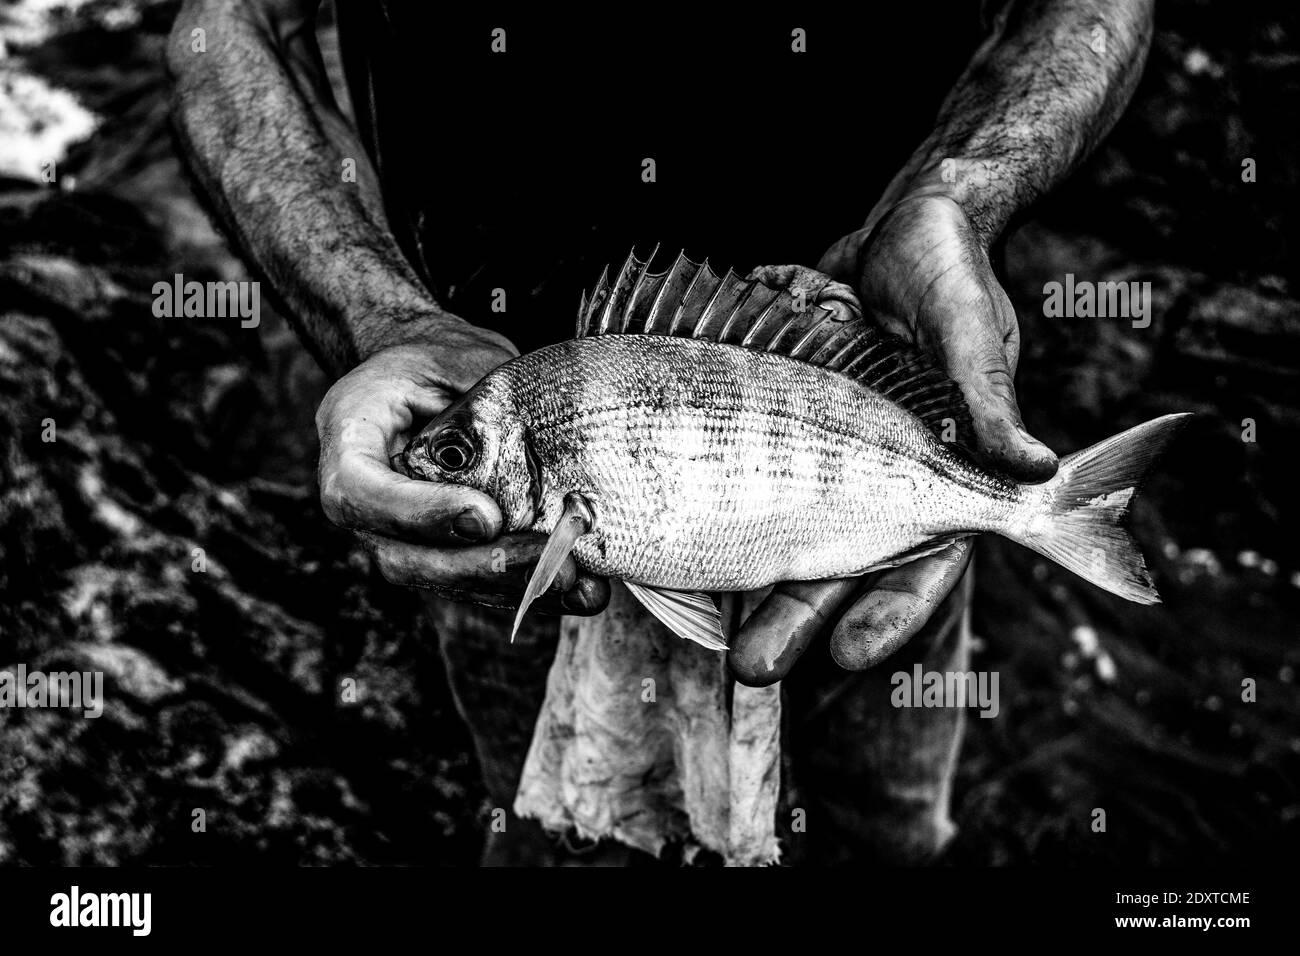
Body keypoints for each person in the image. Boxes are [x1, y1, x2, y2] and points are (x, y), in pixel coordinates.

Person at [168, 1, 1155, 864]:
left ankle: (1021, 513)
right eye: (463, 452)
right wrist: (375, 315)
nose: (447, 459)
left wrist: (956, 199)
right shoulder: (501, 483)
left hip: (879, 339)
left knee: (881, 831)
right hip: (497, 501)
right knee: (564, 832)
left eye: (461, 450)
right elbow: (231, 24)